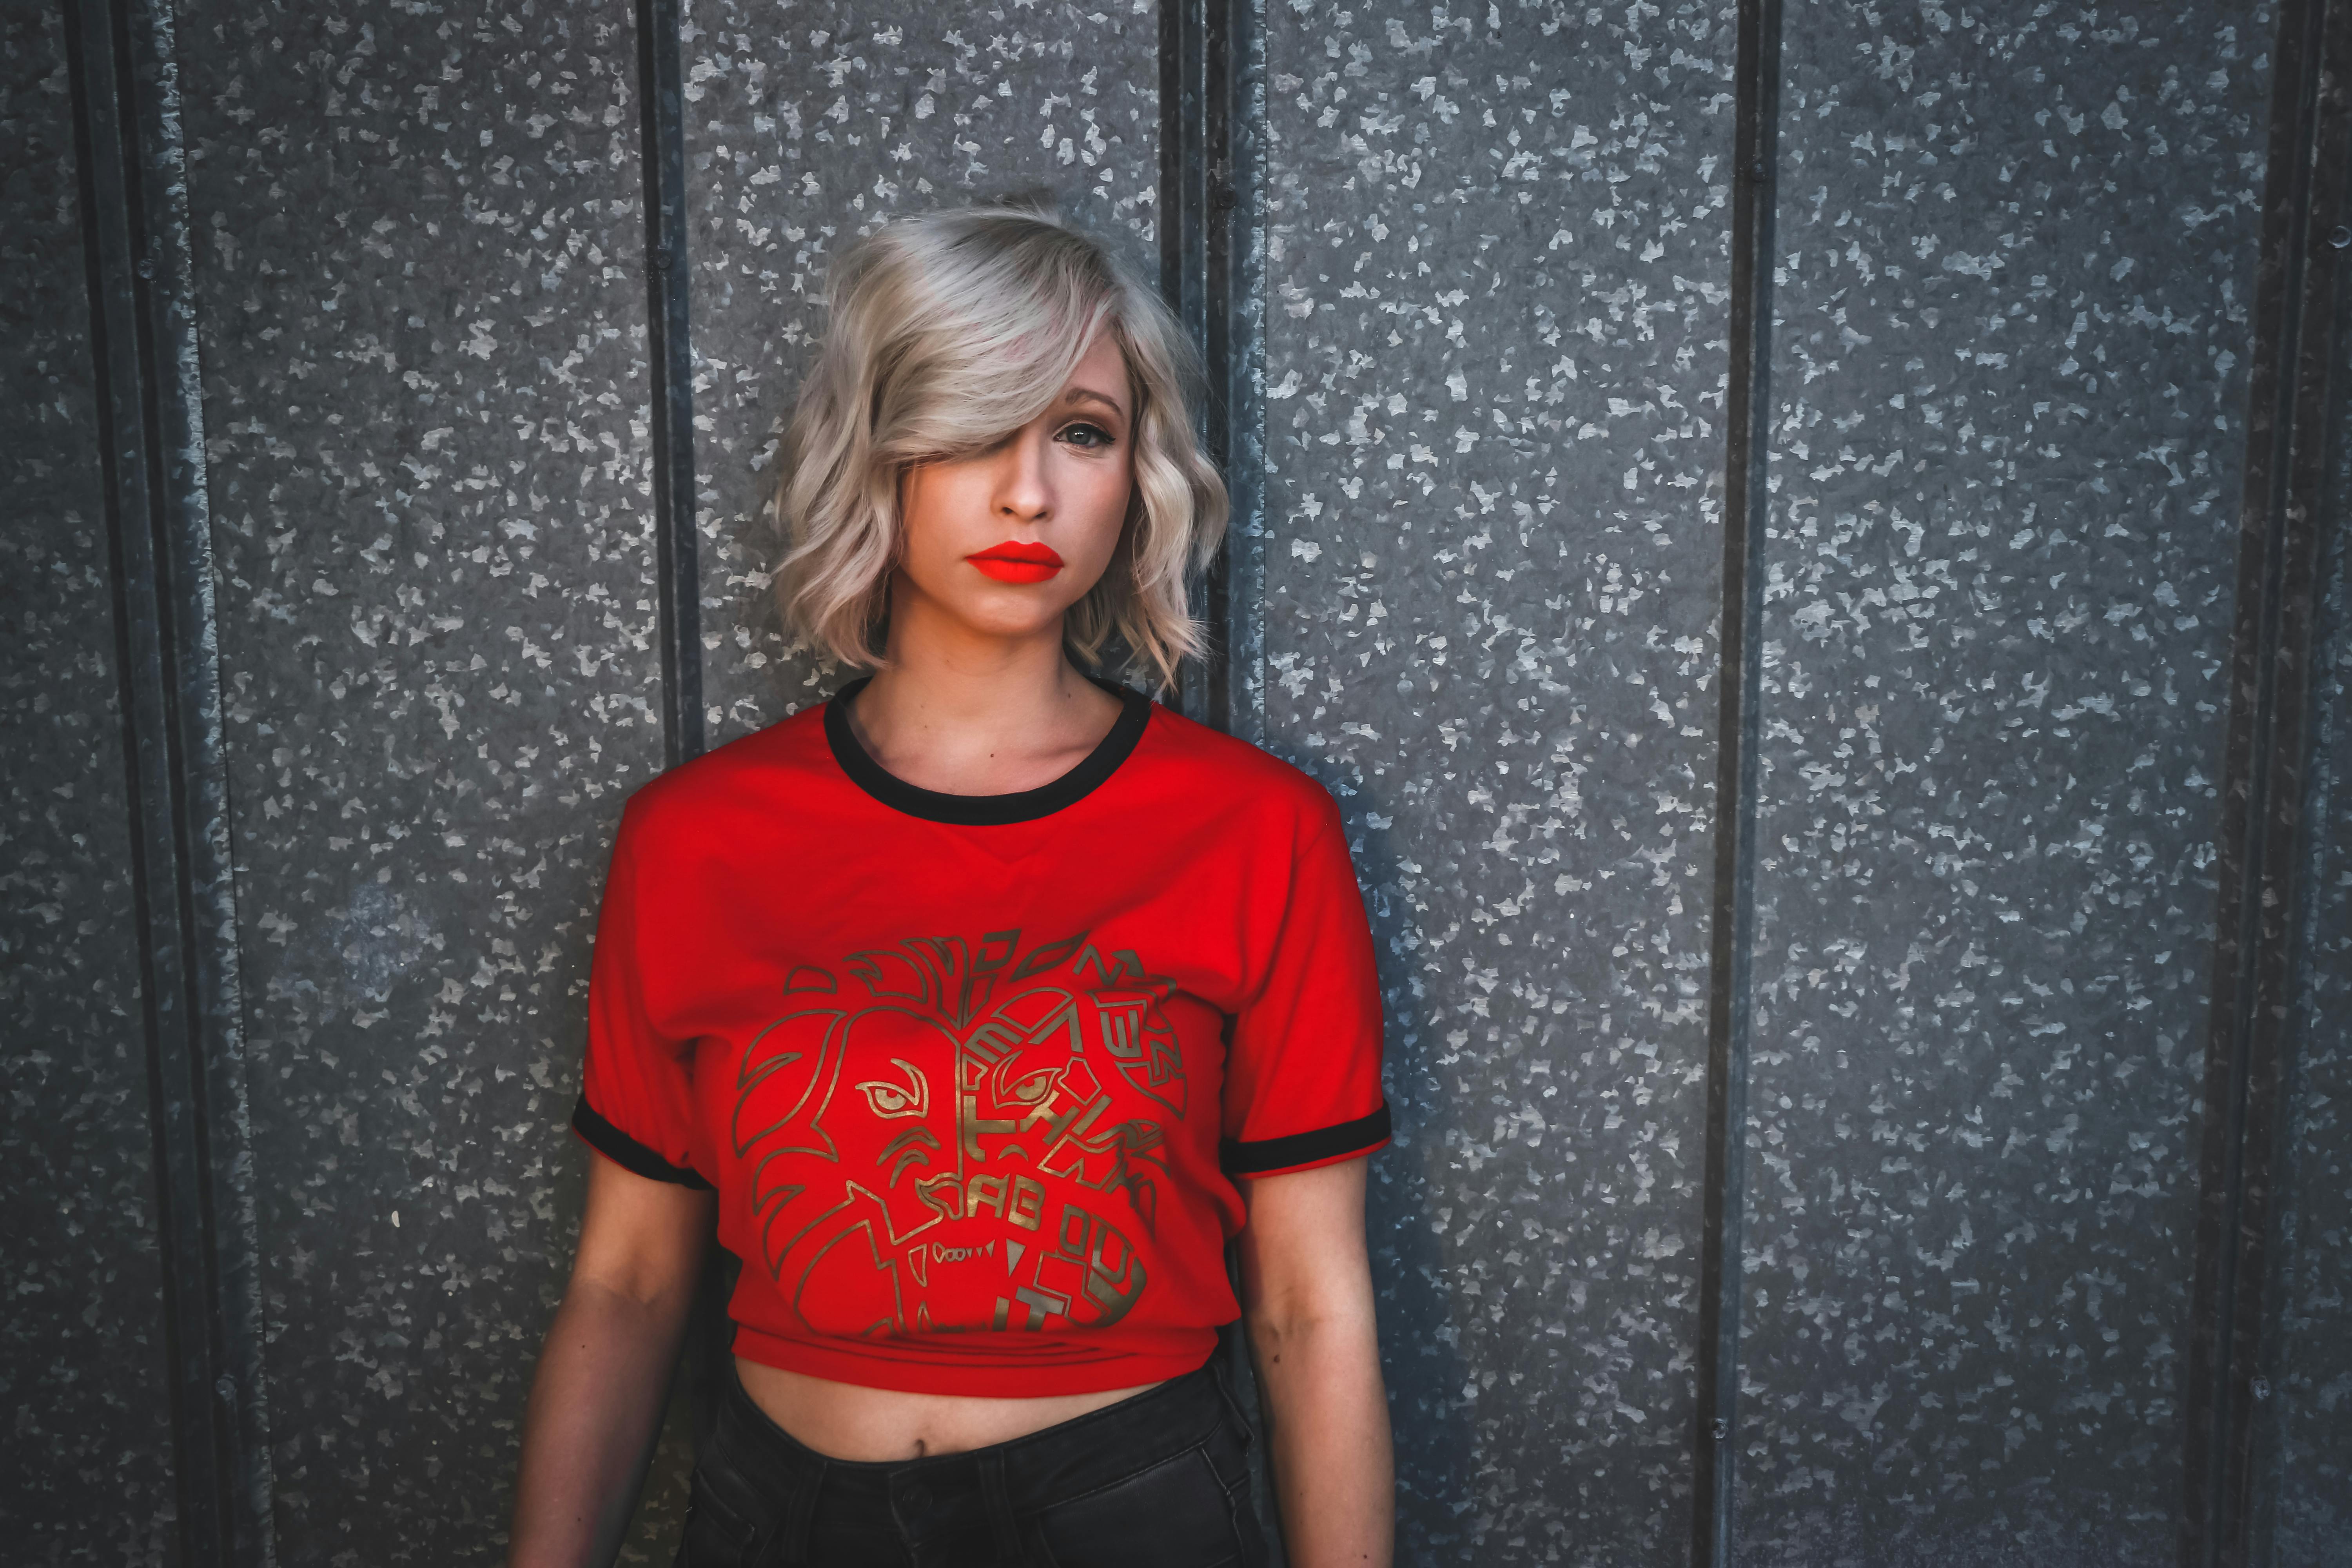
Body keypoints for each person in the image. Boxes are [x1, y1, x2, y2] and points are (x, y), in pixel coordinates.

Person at [505, 201, 1396, 1568]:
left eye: (1082, 432)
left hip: (1129, 1509)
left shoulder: (1257, 832)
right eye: (975, 428)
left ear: (1138, 473)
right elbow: (626, 1286)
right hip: (779, 1512)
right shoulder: (696, 839)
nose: (1028, 492)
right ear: (879, 454)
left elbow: (1308, 1301)